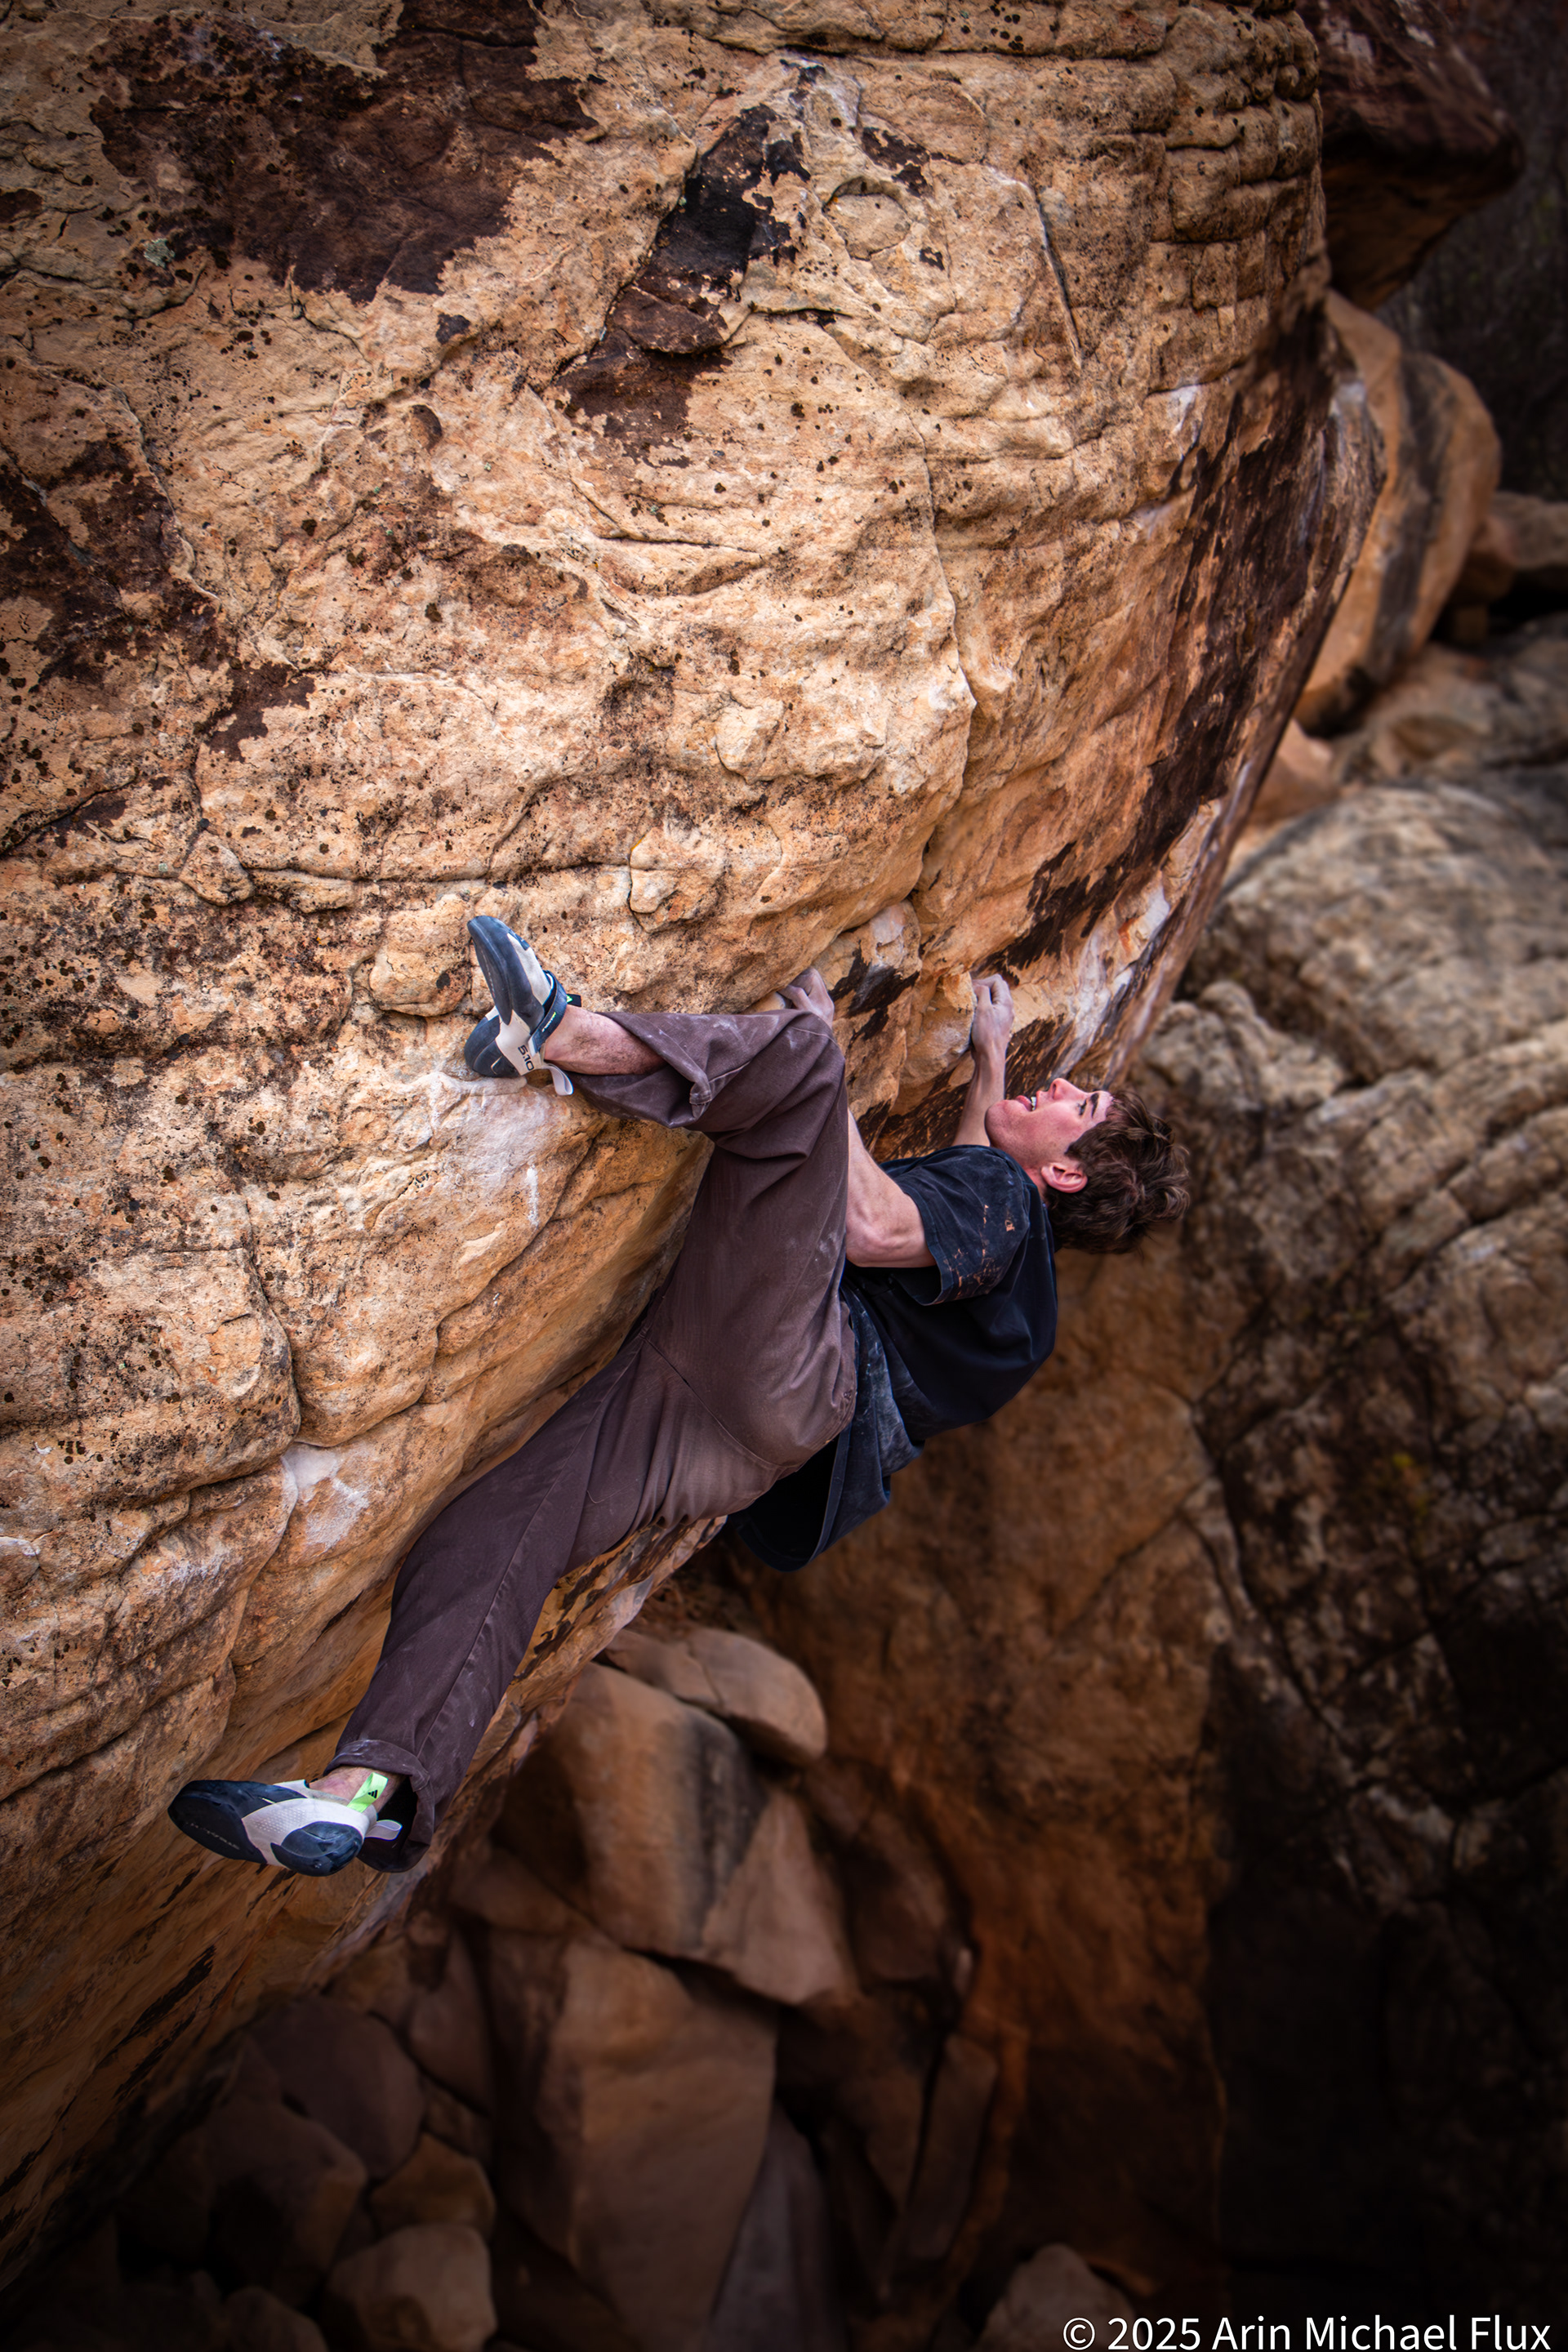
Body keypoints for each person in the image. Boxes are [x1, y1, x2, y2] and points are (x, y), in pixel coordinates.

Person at [169, 920, 1187, 1878]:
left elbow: (881, 1229)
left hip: (787, 1359)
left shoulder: (1007, 1207)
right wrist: (991, 1064)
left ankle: (561, 1035)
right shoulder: (1018, 1268)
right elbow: (972, 1173)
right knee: (498, 1529)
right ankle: (358, 1795)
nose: (1066, 1082)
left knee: (802, 1067)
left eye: (1082, 1102)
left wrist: (826, 1063)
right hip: (737, 1438)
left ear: (1060, 1171)